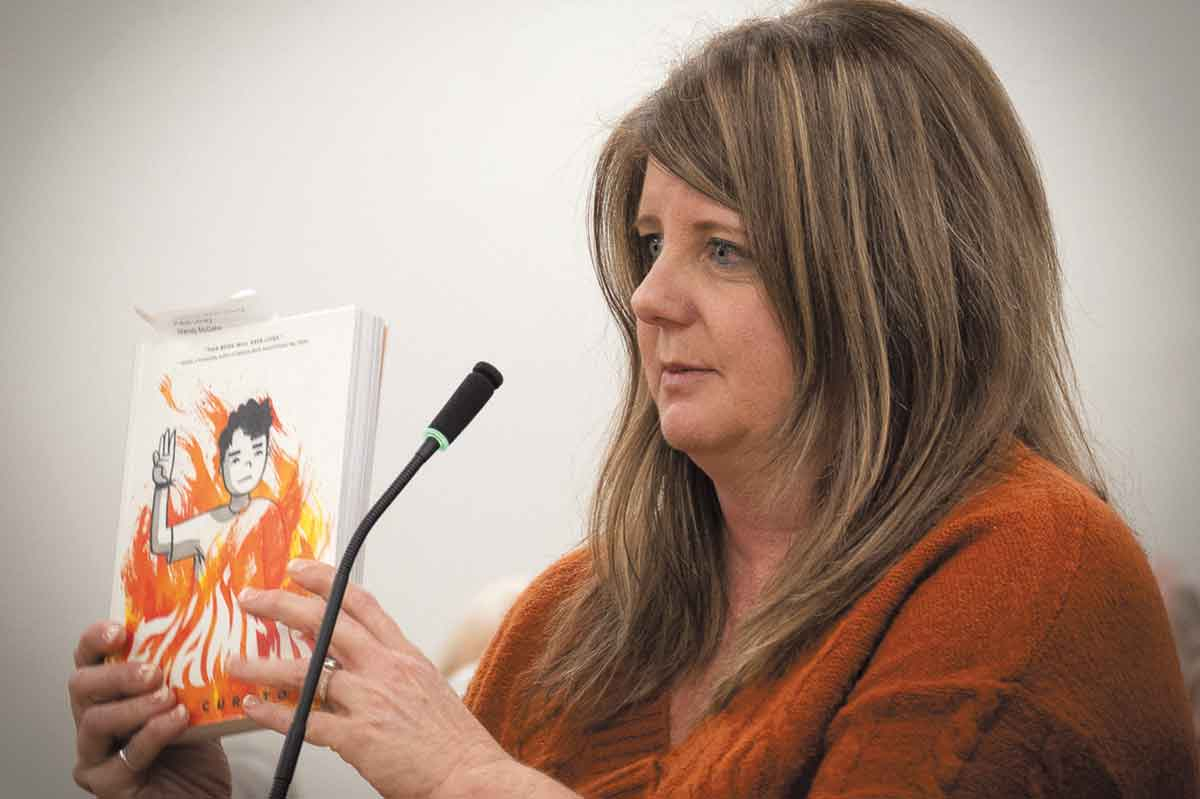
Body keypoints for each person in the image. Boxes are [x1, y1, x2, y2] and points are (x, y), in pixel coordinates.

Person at [68, 1, 1197, 796]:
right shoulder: (570, 620)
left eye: (726, 251)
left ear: (890, 284)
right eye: (652, 242)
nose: (648, 298)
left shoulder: (1035, 567)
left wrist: (464, 775)